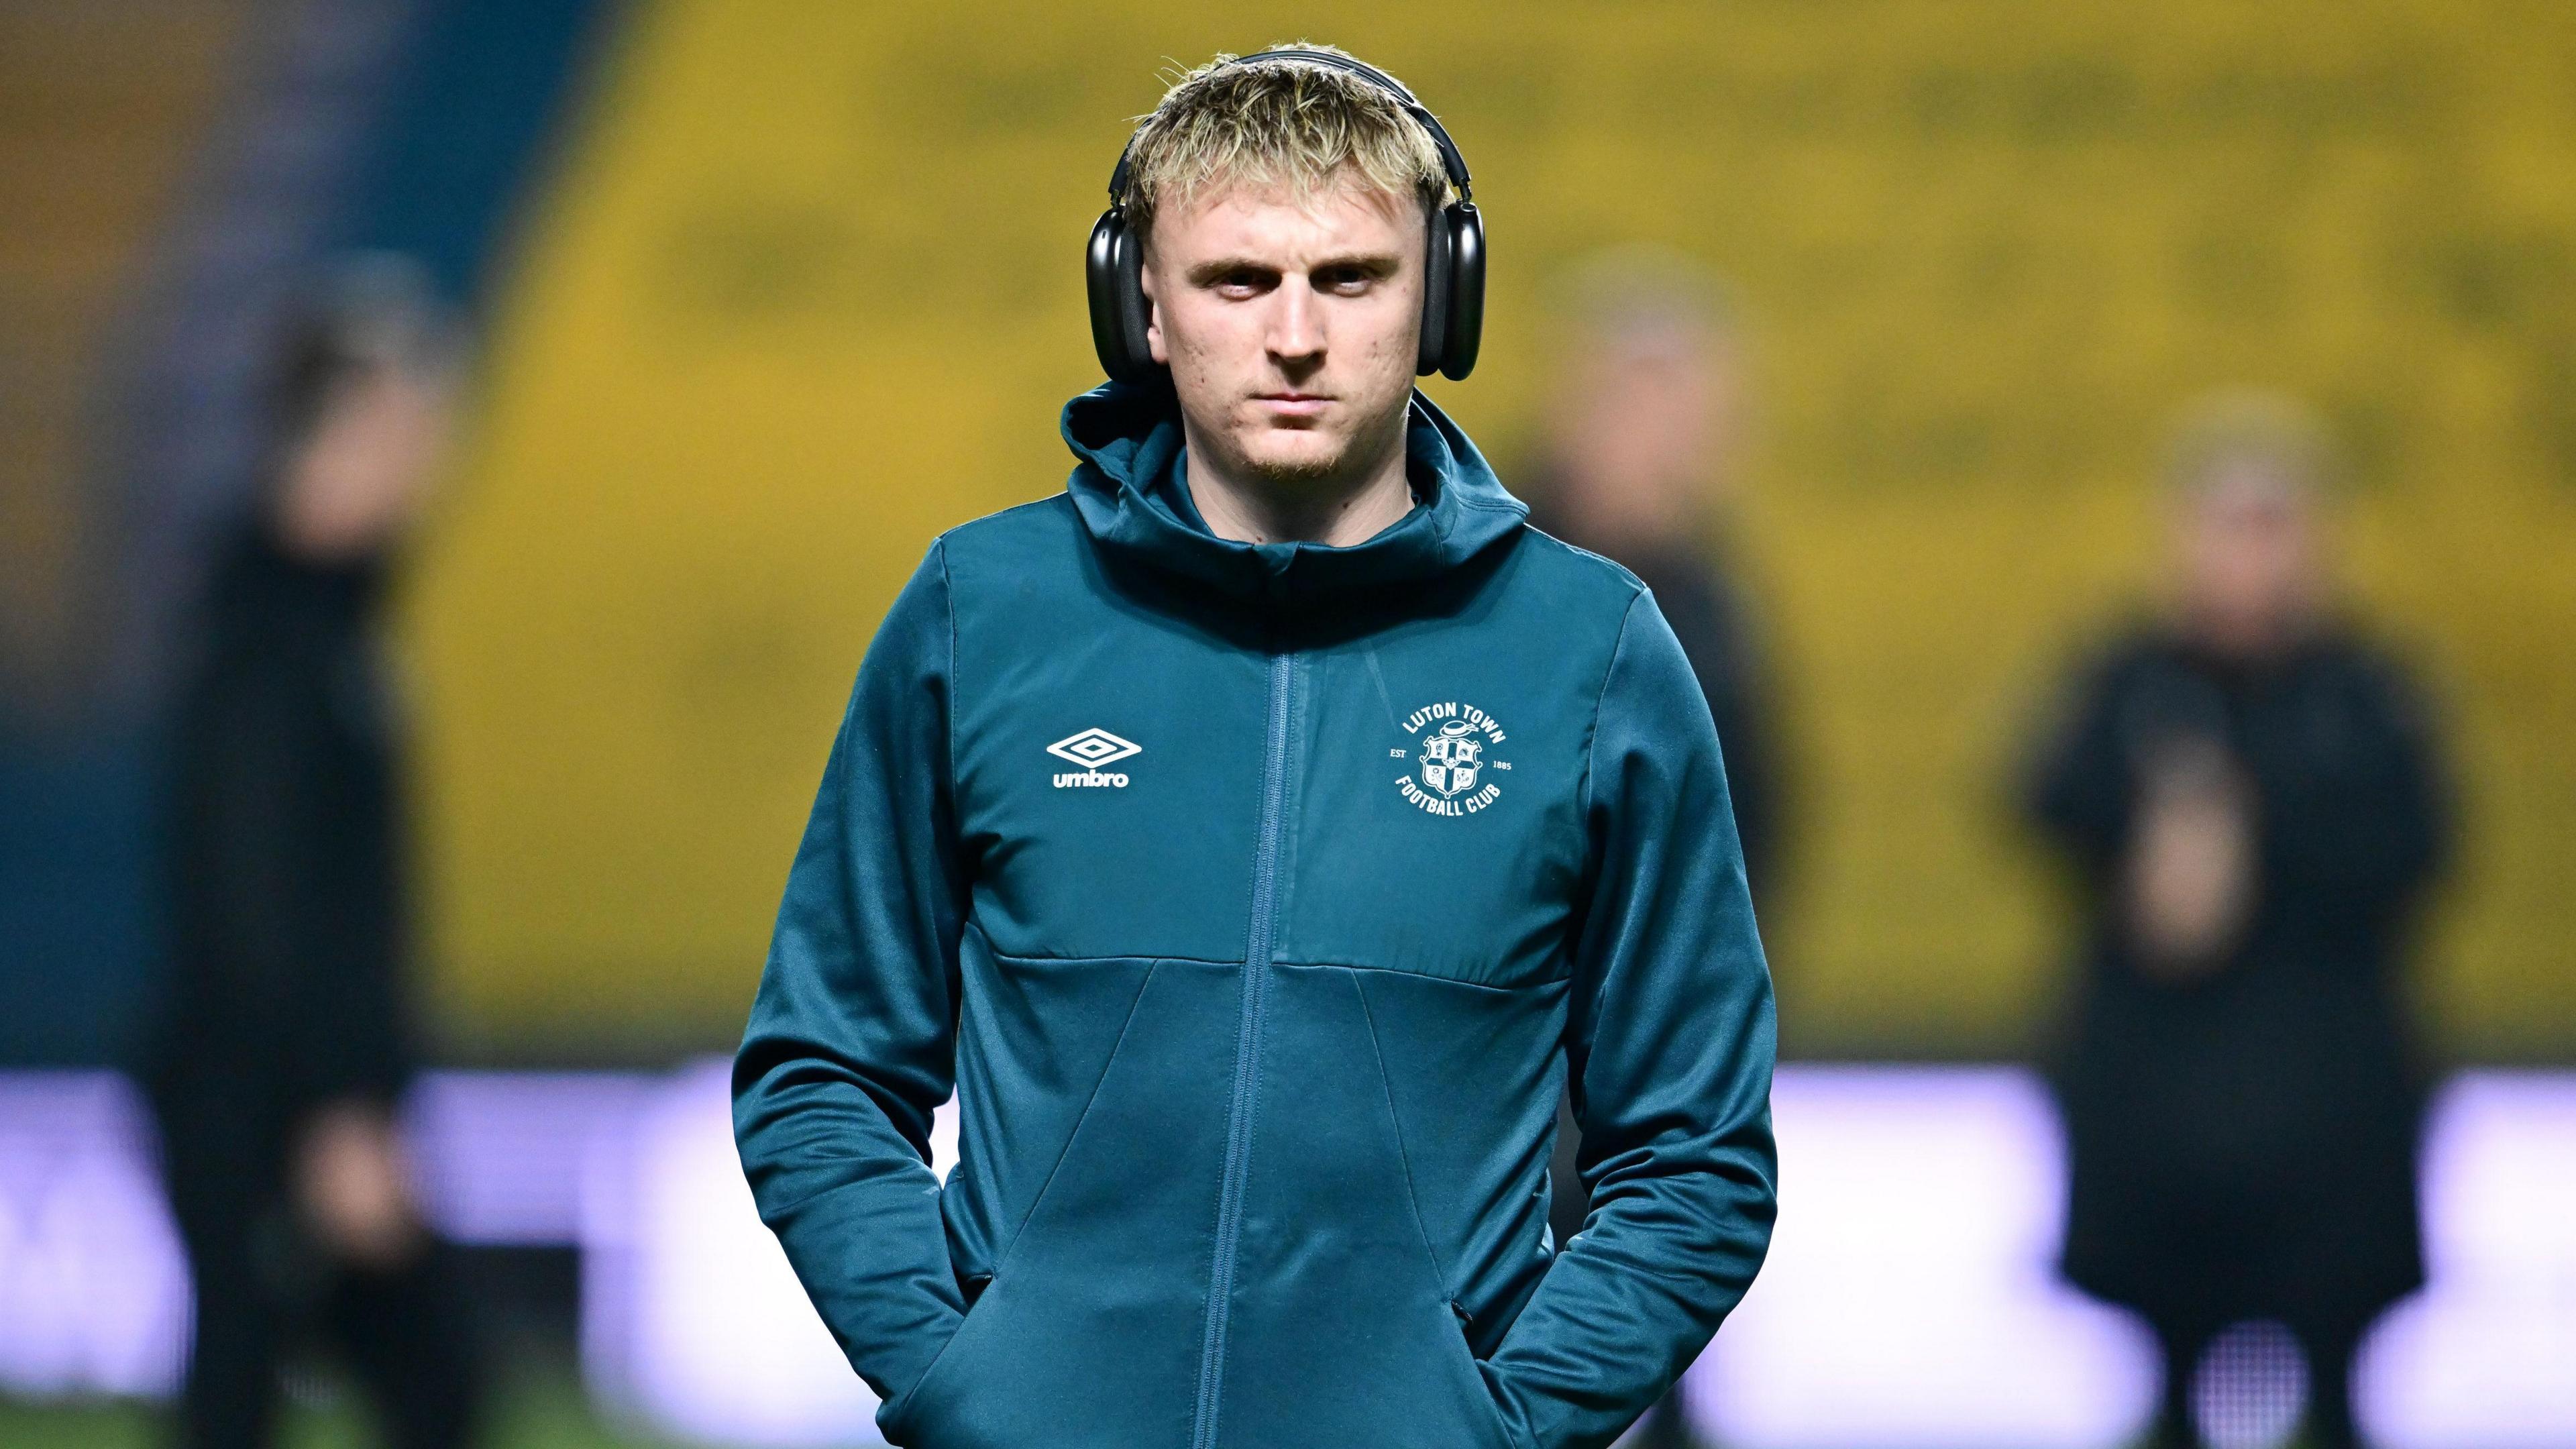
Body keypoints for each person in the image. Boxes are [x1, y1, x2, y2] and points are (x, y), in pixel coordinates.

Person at [733, 46, 1778, 1449]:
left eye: (1351, 277)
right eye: (1238, 281)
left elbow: (1698, 1156)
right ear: (1141, 307)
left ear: (1440, 300)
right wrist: (965, 1381)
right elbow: (822, 1072)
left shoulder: (1591, 655)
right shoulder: (981, 618)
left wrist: (1499, 1427)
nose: (1296, 334)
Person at [2017, 395, 2453, 1449]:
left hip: (2325, 1126)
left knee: (2334, 1403)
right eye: (2226, 527)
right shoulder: (2126, 683)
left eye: (2273, 528)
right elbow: (2042, 804)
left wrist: (2262, 837)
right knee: (2169, 1397)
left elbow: (2422, 847)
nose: (2249, 560)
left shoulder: (2364, 693)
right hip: (2162, 1126)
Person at [144, 260, 483, 1449]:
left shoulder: (322, 616)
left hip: (280, 1088)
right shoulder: (273, 638)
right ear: (350, 427)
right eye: (416, 417)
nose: (437, 448)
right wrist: (335, 1105)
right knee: (391, 1382)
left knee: (289, 1386)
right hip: (267, 1096)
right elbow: (256, 897)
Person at [1519, 250, 1791, 1449]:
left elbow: (1764, 812)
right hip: (1510, 1041)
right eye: (1649, 397)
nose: (1676, 435)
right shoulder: (1489, 568)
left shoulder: (1713, 591)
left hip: (1660, 1043)